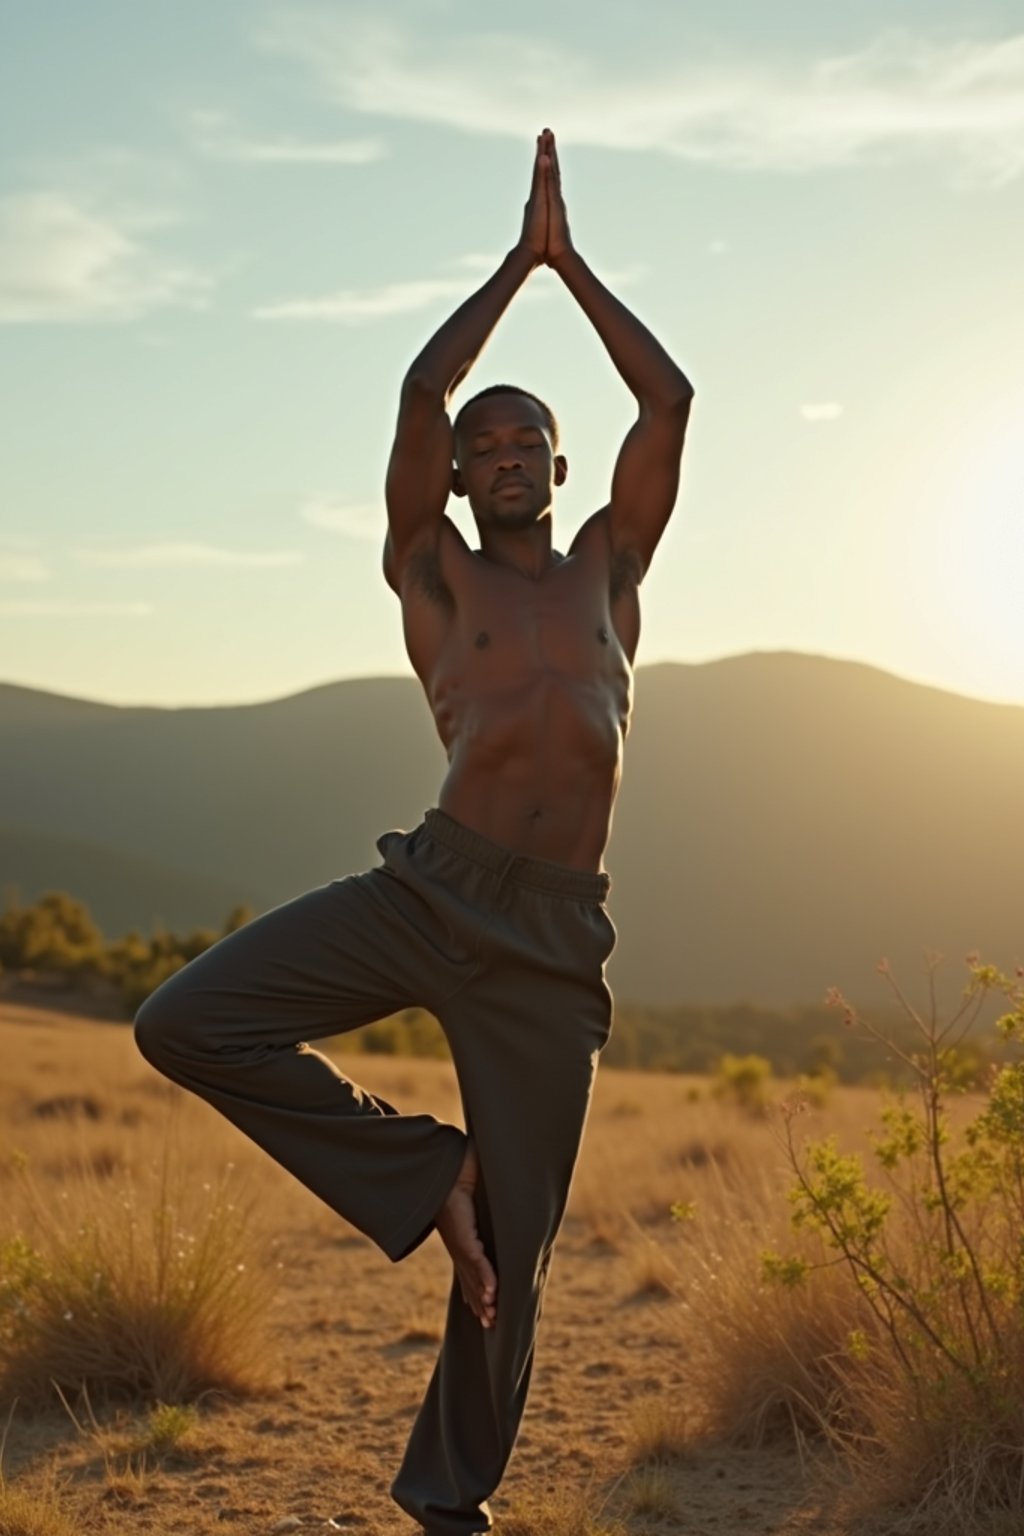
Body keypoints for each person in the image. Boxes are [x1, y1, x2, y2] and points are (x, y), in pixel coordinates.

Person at [134, 127, 693, 1535]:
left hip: (556, 936)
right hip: (435, 890)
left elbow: (672, 396)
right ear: (454, 479)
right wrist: (518, 263)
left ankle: (450, 1502)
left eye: (528, 441)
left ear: (562, 467)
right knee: (187, 1022)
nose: (504, 453)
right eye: (482, 446)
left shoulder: (611, 572)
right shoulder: (428, 571)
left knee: (519, 1247)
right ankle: (417, 1165)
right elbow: (420, 385)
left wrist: (580, 268)